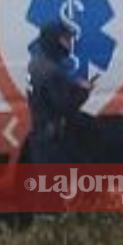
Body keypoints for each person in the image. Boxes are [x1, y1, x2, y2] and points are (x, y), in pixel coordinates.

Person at [27, 20, 94, 165]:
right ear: (54, 40)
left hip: (40, 136)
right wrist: (84, 91)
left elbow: (47, 93)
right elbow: (67, 106)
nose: (70, 44)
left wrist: (72, 84)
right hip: (54, 142)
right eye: (66, 39)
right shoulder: (52, 71)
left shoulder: (36, 63)